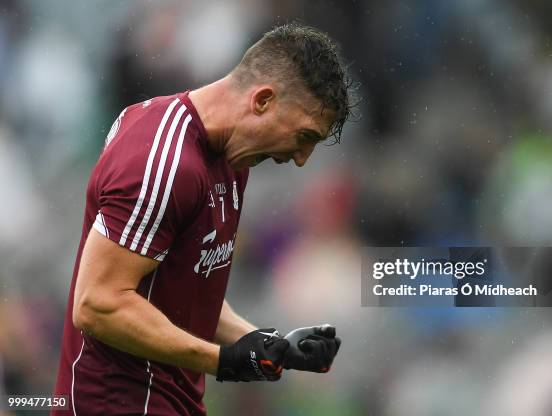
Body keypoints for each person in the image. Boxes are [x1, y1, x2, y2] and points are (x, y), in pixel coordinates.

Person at [53, 23, 350, 415]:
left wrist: (272, 346)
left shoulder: (231, 157)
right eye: (304, 137)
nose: (300, 159)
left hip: (169, 403)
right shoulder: (164, 162)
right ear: (262, 100)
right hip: (117, 404)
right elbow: (97, 303)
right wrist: (222, 361)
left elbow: (185, 296)